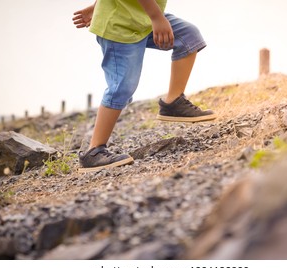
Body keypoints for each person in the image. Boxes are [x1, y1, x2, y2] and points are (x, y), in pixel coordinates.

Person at [72, 0, 216, 172]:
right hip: (120, 26)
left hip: (144, 19)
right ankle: (93, 151)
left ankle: (173, 102)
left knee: (188, 36)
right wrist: (156, 17)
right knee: (122, 86)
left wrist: (97, 6)